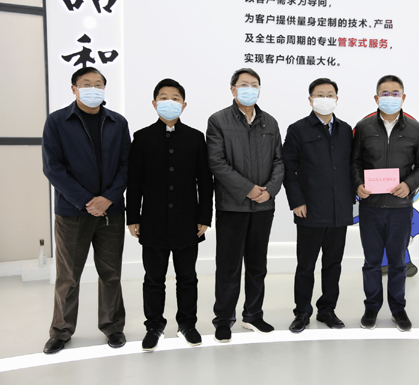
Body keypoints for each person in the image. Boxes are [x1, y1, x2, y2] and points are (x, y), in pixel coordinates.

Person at [41, 67, 130, 354]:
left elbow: (127, 165)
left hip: (111, 212)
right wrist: (86, 201)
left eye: (98, 84)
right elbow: (53, 168)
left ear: (105, 88)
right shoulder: (57, 121)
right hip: (72, 212)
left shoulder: (117, 122)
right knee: (68, 275)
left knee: (111, 273)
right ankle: (61, 331)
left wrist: (108, 199)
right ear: (74, 88)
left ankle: (113, 327)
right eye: (86, 84)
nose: (93, 89)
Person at [126, 79, 213, 351]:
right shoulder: (142, 137)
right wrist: (133, 217)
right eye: (163, 97)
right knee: (154, 279)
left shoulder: (195, 137)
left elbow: (205, 181)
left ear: (184, 105)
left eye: (175, 98)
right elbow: (134, 181)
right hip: (152, 221)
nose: (169, 102)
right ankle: (154, 326)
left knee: (187, 277)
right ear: (154, 103)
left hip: (188, 221)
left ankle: (187, 324)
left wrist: (205, 217)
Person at [206, 68, 284, 342]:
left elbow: (279, 161)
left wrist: (269, 191)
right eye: (244, 85)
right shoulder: (218, 120)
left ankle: (253, 315)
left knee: (257, 265)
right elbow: (217, 162)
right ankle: (223, 319)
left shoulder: (270, 122)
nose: (249, 89)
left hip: (263, 207)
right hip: (232, 206)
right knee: (228, 267)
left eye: (254, 85)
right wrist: (248, 189)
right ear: (233, 89)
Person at [351, 75, 419, 331]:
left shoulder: (415, 129)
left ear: (403, 97)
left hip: (400, 209)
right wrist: (357, 184)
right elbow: (354, 162)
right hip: (371, 208)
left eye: (395, 93)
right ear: (376, 98)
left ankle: (398, 309)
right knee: (372, 263)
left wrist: (409, 184)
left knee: (398, 263)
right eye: (384, 93)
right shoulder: (363, 128)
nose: (390, 97)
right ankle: (371, 307)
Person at [282, 78, 353, 333]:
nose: (325, 98)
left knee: (333, 264)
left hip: (339, 209)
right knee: (306, 265)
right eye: (319, 94)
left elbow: (351, 166)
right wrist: (296, 201)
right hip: (310, 209)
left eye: (330, 94)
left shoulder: (345, 130)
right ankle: (302, 312)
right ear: (310, 99)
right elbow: (288, 168)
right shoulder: (298, 129)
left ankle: (327, 310)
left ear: (337, 99)